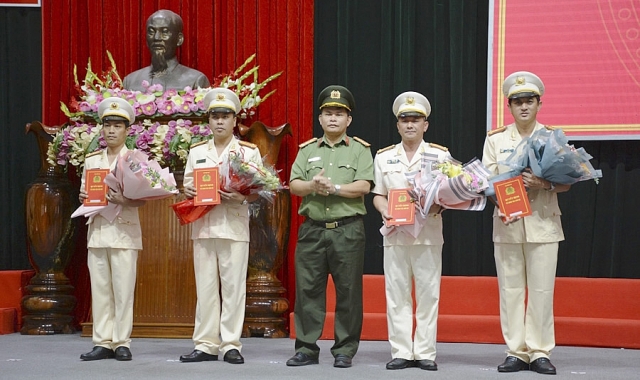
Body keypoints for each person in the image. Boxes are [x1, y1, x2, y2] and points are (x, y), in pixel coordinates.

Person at [482, 71, 570, 375]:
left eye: (529, 101)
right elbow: (486, 182)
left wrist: (542, 183)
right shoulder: (495, 139)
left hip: (544, 223)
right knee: (511, 290)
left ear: (539, 104)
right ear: (509, 106)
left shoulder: (552, 136)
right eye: (517, 101)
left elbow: (567, 182)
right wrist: (502, 203)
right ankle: (516, 351)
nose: (523, 106)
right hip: (507, 223)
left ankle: (540, 351)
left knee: (543, 290)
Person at [286, 85, 374, 369]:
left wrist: (333, 187)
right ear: (320, 119)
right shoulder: (307, 149)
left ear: (348, 120)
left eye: (339, 113)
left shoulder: (360, 150)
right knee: (308, 290)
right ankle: (306, 348)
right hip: (312, 229)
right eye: (327, 113)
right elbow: (294, 184)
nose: (333, 118)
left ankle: (344, 349)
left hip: (347, 229)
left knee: (348, 291)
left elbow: (364, 186)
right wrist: (312, 185)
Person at [179, 88, 261, 365]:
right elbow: (188, 185)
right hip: (203, 226)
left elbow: (260, 190)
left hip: (234, 225)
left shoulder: (249, 152)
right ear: (208, 120)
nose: (219, 121)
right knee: (205, 288)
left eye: (225, 116)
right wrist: (189, 189)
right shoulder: (197, 152)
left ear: (235, 120)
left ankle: (230, 344)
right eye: (215, 116)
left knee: (234, 288)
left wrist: (241, 196)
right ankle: (205, 344)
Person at [371, 91, 451, 371]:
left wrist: (440, 204)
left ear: (425, 124)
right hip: (395, 233)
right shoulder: (384, 157)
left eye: (415, 119)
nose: (410, 125)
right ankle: (402, 350)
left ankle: (426, 352)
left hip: (428, 233)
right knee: (397, 293)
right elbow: (378, 194)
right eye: (404, 119)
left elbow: (451, 193)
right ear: (397, 125)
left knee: (429, 293)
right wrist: (384, 209)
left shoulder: (440, 155)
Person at [79, 97, 145, 361]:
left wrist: (126, 199)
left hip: (125, 230)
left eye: (117, 126)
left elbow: (145, 198)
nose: (111, 131)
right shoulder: (92, 160)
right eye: (107, 125)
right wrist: (84, 195)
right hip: (97, 230)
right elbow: (86, 193)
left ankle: (122, 342)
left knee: (123, 289)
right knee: (101, 288)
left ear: (127, 130)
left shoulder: (136, 160)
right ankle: (102, 342)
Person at [123, 9, 210, 92]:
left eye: (164, 32)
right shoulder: (130, 82)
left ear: (179, 39)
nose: (156, 38)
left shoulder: (196, 80)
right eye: (151, 32)